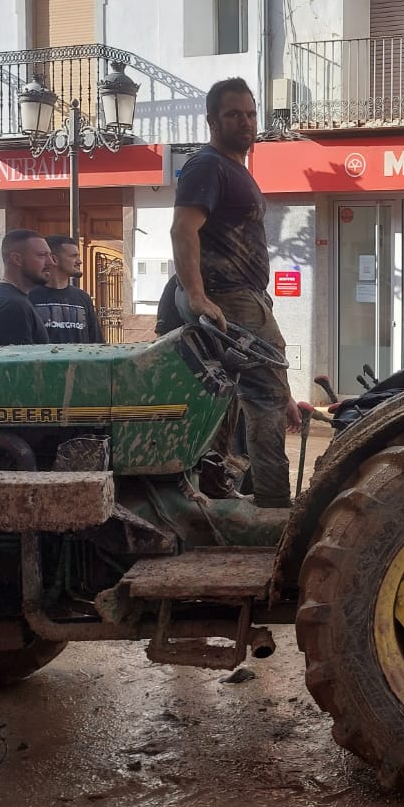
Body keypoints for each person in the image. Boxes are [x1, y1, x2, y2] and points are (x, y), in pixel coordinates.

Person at [171, 78, 299, 506]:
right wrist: (198, 295)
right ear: (211, 120)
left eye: (250, 113)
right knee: (265, 396)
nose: (245, 122)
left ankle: (214, 487)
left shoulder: (231, 167)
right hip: (230, 295)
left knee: (224, 395)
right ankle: (274, 503)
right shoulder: (207, 165)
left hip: (243, 297)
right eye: (233, 114)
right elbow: (183, 229)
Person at [0, 228, 52, 347]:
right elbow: (17, 363)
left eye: (50, 255)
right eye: (42, 255)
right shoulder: (10, 305)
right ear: (17, 259)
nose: (50, 262)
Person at [30, 235, 104, 344]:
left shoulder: (82, 297)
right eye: (73, 256)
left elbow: (96, 341)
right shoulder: (30, 297)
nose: (79, 261)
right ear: (54, 259)